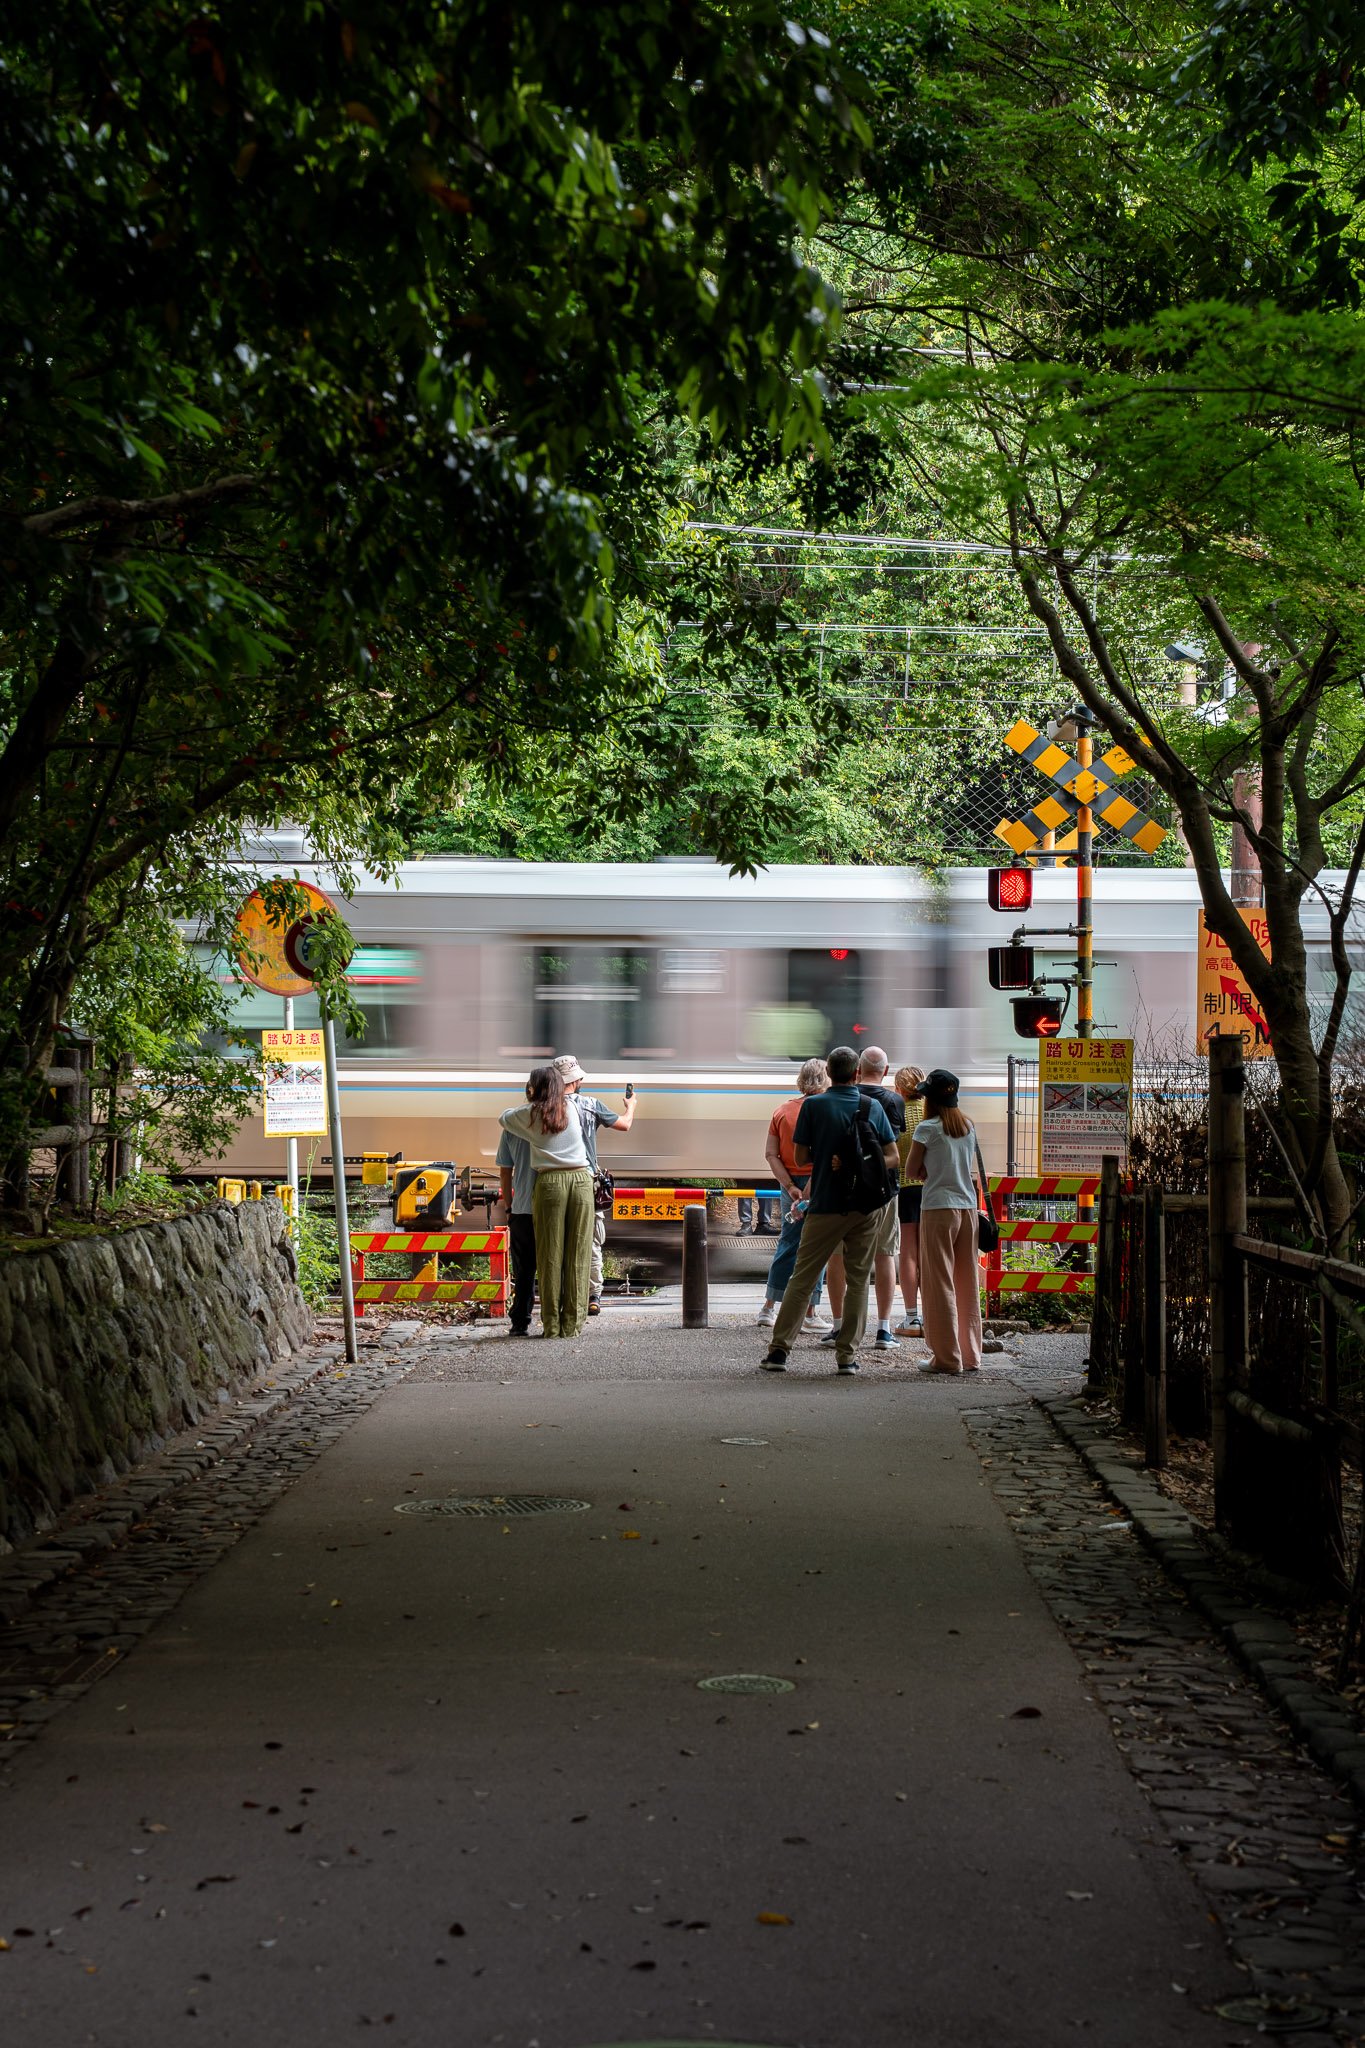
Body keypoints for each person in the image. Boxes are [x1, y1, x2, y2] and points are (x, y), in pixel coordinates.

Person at [760, 1044, 899, 1376]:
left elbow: (803, 1158)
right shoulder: (872, 1107)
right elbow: (892, 1157)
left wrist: (830, 1156)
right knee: (859, 1280)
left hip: (824, 1205)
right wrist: (860, 1160)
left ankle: (779, 1352)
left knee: (803, 1276)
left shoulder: (813, 1106)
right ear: (855, 1074)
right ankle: (846, 1358)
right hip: (865, 1208)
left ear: (829, 1075)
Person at [822, 1044, 907, 1355]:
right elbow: (893, 1150)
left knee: (838, 1257)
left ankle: (838, 1325)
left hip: (845, 1189)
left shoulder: (846, 1097)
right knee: (885, 1255)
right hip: (883, 1191)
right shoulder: (894, 1101)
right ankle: (883, 1329)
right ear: (885, 1071)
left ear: (856, 1071)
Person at [498, 1066, 593, 1338]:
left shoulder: (529, 1115)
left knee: (550, 1256)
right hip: (582, 1181)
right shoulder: (572, 1109)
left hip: (551, 1184)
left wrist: (531, 1100)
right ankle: (572, 1326)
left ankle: (552, 1326)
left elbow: (503, 1118)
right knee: (578, 1256)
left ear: (533, 1088)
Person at [903, 1068, 985, 1375]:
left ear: (930, 1100)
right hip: (968, 1210)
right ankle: (971, 1355)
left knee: (939, 1283)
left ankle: (946, 1358)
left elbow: (912, 1170)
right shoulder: (968, 1126)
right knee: (967, 1283)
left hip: (938, 1209)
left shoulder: (927, 1128)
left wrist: (928, 1170)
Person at [551, 1054, 636, 1316]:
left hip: (554, 1183)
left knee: (559, 1240)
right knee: (591, 1242)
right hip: (586, 1181)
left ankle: (563, 1295)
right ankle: (592, 1296)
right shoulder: (590, 1105)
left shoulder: (545, 1108)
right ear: (575, 1080)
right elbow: (625, 1125)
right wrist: (631, 1105)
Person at [756, 1057, 832, 1332]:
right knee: (818, 1246)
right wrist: (811, 1187)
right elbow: (826, 1155)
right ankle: (810, 1312)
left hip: (790, 1184)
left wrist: (790, 1187)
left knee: (788, 1242)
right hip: (819, 1183)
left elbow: (770, 1154)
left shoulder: (782, 1111)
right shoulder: (827, 1111)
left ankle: (768, 1307)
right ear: (826, 1079)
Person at [495, 1089, 536, 1337]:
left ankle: (520, 1320)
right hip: (551, 1206)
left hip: (522, 1207)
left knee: (524, 1269)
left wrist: (510, 1206)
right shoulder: (557, 1120)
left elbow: (504, 1172)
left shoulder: (511, 1124)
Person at [892, 1063, 927, 1337]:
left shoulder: (896, 1112)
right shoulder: (932, 1113)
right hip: (930, 1189)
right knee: (929, 1253)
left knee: (908, 1252)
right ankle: (931, 1313)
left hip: (904, 1189)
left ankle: (911, 1317)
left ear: (899, 1088)